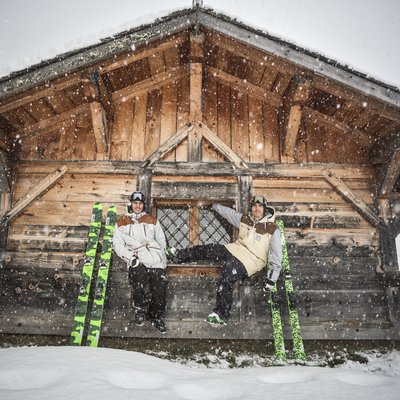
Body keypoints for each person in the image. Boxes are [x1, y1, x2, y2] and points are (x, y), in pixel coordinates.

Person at [173, 195, 282, 326]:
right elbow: (229, 214)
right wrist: (214, 206)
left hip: (252, 260)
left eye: (260, 206)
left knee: (227, 276)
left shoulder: (272, 229)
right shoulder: (246, 220)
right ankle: (178, 255)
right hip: (235, 249)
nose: (257, 209)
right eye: (254, 206)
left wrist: (271, 279)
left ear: (265, 209)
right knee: (210, 249)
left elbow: (276, 256)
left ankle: (221, 315)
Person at [113, 191, 168, 334]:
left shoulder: (152, 221)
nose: (137, 206)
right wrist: (131, 259)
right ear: (131, 204)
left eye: (140, 203)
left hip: (154, 259)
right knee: (140, 279)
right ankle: (140, 310)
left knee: (160, 284)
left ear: (143, 205)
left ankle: (156, 316)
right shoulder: (122, 222)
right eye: (135, 203)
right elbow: (118, 245)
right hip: (136, 258)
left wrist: (163, 262)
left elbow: (162, 241)